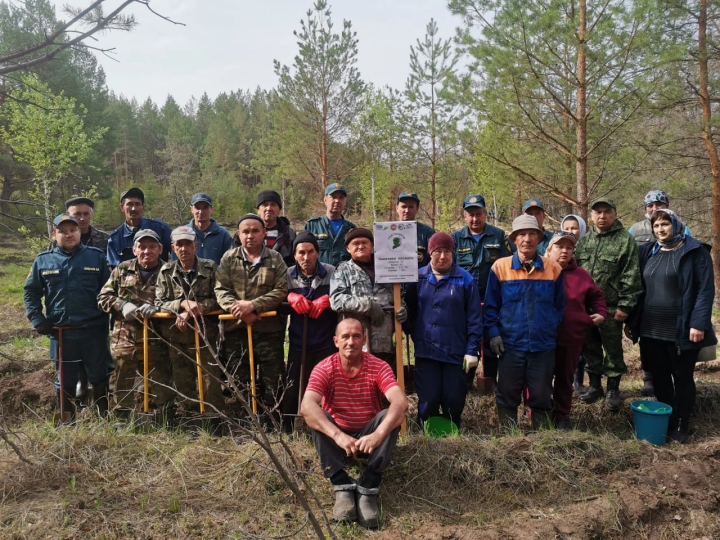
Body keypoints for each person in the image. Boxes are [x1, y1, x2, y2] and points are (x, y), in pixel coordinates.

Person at [300, 318, 408, 529]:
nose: (351, 342)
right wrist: (338, 436)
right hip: (338, 441)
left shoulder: (378, 366)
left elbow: (400, 402)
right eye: (345, 337)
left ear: (364, 340)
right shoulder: (325, 367)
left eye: (356, 336)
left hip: (369, 438)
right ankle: (340, 482)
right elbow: (306, 406)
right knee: (317, 416)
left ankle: (369, 483)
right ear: (336, 341)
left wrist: (377, 435)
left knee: (391, 415)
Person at [628, 209, 716, 443]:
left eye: (665, 224)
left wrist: (698, 323)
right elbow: (638, 287)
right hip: (650, 328)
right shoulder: (647, 252)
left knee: (682, 376)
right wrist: (632, 321)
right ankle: (666, 416)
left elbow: (705, 292)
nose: (660, 230)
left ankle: (682, 423)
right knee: (659, 376)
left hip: (682, 328)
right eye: (656, 226)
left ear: (676, 224)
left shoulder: (695, 252)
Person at [24, 214, 112, 422]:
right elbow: (31, 293)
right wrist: (38, 320)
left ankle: (104, 419)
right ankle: (67, 420)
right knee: (64, 379)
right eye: (62, 231)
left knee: (99, 375)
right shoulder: (42, 261)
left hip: (93, 331)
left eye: (72, 230)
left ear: (79, 232)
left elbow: (109, 291)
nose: (68, 234)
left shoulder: (96, 257)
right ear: (54, 235)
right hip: (61, 333)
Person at [484, 215, 565, 429]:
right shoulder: (500, 268)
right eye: (521, 235)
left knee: (540, 394)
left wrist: (548, 328)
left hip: (542, 346)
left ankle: (542, 439)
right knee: (507, 393)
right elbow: (491, 307)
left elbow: (559, 306)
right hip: (510, 345)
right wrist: (494, 334)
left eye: (532, 234)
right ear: (514, 239)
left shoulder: (553, 269)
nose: (527, 239)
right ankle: (508, 437)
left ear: (539, 238)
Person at [405, 232, 483, 428]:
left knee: (453, 398)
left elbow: (474, 318)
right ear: (430, 253)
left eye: (447, 251)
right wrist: (404, 318)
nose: (442, 256)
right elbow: (411, 310)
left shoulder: (465, 280)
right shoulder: (418, 278)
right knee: (428, 397)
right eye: (437, 251)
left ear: (453, 253)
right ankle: (424, 431)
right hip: (426, 351)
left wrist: (472, 349)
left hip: (455, 352)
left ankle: (451, 430)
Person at [215, 213, 288, 415]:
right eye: (245, 231)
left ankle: (272, 419)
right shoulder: (229, 259)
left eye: (255, 231)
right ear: (238, 234)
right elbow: (221, 290)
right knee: (240, 377)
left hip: (269, 330)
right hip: (236, 329)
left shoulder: (275, 258)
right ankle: (246, 418)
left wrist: (253, 306)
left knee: (272, 377)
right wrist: (238, 310)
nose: (250, 235)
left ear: (264, 233)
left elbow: (281, 290)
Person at [98, 229, 174, 419]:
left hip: (158, 340)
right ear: (134, 249)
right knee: (122, 382)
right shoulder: (122, 269)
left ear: (160, 249)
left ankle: (165, 420)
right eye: (142, 247)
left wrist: (159, 308)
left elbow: (179, 300)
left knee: (162, 382)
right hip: (125, 339)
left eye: (152, 247)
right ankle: (123, 421)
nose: (146, 251)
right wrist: (122, 305)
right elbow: (103, 297)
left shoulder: (169, 272)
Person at [575, 198, 642, 411]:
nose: (602, 216)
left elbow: (631, 274)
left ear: (614, 214)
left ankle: (613, 389)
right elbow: (575, 271)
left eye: (607, 212)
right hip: (586, 308)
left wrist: (625, 305)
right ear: (592, 216)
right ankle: (595, 386)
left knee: (613, 350)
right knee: (590, 347)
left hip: (612, 308)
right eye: (598, 212)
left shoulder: (625, 240)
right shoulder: (585, 241)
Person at [628, 190, 692, 396]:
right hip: (647, 292)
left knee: (675, 355)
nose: (654, 209)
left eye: (659, 204)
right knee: (648, 341)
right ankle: (649, 377)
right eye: (650, 206)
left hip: (674, 298)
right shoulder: (635, 230)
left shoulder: (683, 229)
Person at [155, 226, 225, 414]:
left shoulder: (210, 268)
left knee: (210, 379)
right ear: (173, 247)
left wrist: (196, 308)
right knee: (183, 380)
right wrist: (182, 304)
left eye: (188, 244)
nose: (184, 248)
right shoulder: (166, 271)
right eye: (179, 244)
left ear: (195, 245)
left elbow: (220, 297)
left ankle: (213, 419)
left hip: (205, 335)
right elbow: (159, 301)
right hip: (177, 336)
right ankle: (191, 416)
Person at [544, 231, 608, 429]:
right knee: (540, 379)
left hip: (571, 336)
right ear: (549, 249)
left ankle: (562, 416)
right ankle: (540, 413)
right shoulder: (540, 270)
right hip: (542, 337)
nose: (564, 251)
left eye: (569, 247)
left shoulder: (581, 275)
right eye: (559, 246)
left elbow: (597, 296)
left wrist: (601, 313)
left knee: (565, 379)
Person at [452, 194, 512, 388]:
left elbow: (509, 264)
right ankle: (466, 379)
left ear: (485, 214)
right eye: (471, 215)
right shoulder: (456, 239)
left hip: (492, 298)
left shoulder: (499, 235)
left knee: (491, 339)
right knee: (467, 339)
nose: (475, 219)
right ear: (464, 216)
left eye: (479, 214)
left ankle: (491, 379)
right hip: (464, 300)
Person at [282, 231, 337, 432]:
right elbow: (277, 295)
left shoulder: (331, 272)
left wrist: (329, 299)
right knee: (293, 386)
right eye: (301, 253)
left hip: (326, 340)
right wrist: (290, 297)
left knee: (330, 386)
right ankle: (287, 430)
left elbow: (343, 293)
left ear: (317, 252)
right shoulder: (288, 275)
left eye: (310, 252)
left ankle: (333, 427)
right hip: (298, 340)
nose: (306, 257)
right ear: (295, 255)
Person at [329, 228, 407, 369]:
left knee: (386, 384)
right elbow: (336, 299)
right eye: (355, 243)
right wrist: (367, 306)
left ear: (372, 245)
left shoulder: (389, 266)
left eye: (364, 242)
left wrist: (402, 309)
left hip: (386, 339)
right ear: (348, 248)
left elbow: (398, 295)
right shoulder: (342, 270)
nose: (360, 246)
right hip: (356, 343)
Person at [561, 214, 590, 393]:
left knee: (583, 346)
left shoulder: (589, 247)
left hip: (585, 301)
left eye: (574, 228)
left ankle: (579, 380)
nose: (570, 231)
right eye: (567, 227)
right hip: (566, 304)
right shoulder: (559, 248)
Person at [107, 187, 172, 268]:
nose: (134, 208)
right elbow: (115, 268)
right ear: (122, 207)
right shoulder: (115, 238)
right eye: (129, 204)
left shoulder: (161, 228)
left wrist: (171, 272)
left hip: (161, 278)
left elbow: (176, 251)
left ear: (143, 207)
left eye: (137, 204)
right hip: (130, 279)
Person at [236, 190, 297, 268]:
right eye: (265, 205)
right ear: (258, 210)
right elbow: (235, 259)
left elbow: (294, 262)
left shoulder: (289, 234)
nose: (269, 208)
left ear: (279, 210)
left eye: (273, 204)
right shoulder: (244, 233)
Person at [305, 184, 356, 267]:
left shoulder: (352, 229)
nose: (337, 201)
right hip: (320, 277)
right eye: (333, 197)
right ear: (325, 200)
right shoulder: (312, 225)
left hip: (344, 278)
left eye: (341, 198)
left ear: (345, 202)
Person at [183, 192, 232, 265]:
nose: (201, 212)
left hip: (216, 276)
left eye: (205, 207)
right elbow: (175, 264)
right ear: (191, 209)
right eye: (197, 208)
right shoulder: (183, 233)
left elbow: (230, 262)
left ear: (211, 209)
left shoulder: (223, 234)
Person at [396, 191, 435, 267]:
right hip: (393, 277)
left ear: (417, 209)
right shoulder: (386, 232)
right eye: (403, 207)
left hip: (421, 277)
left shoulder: (428, 233)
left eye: (411, 207)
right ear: (397, 208)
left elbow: (434, 261)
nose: (407, 211)